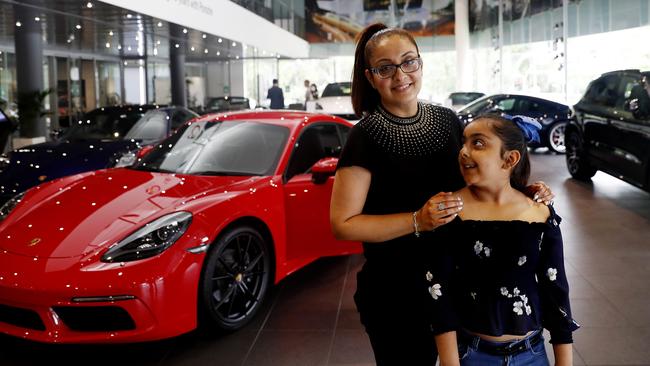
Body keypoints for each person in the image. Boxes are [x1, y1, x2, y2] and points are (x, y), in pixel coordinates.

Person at [329, 23, 554, 366]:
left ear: (420, 63)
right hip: (397, 291)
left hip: (459, 282)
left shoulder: (447, 121)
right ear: (371, 77)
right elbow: (343, 224)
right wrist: (418, 220)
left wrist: (523, 192)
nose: (400, 75)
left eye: (408, 62)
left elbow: (477, 179)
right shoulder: (365, 137)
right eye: (385, 68)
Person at [422, 114, 579, 366]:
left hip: (532, 354)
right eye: (464, 143)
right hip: (470, 355)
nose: (464, 151)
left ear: (510, 159)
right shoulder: (448, 212)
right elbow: (438, 293)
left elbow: (556, 290)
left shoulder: (540, 213)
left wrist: (564, 362)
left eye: (478, 143)